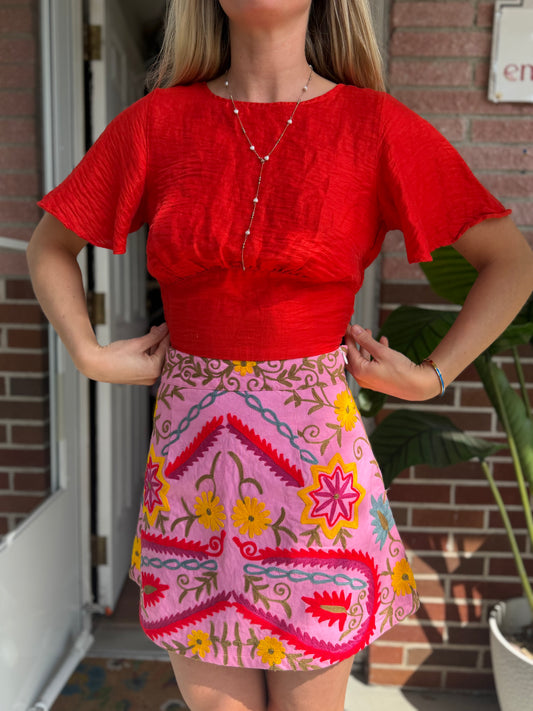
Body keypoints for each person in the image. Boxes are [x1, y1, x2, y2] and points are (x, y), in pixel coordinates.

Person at [27, 1, 533, 710]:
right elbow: (50, 246)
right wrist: (88, 353)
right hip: (194, 474)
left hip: (316, 475)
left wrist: (432, 376)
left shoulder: (375, 126)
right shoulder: (156, 123)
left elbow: (510, 262)